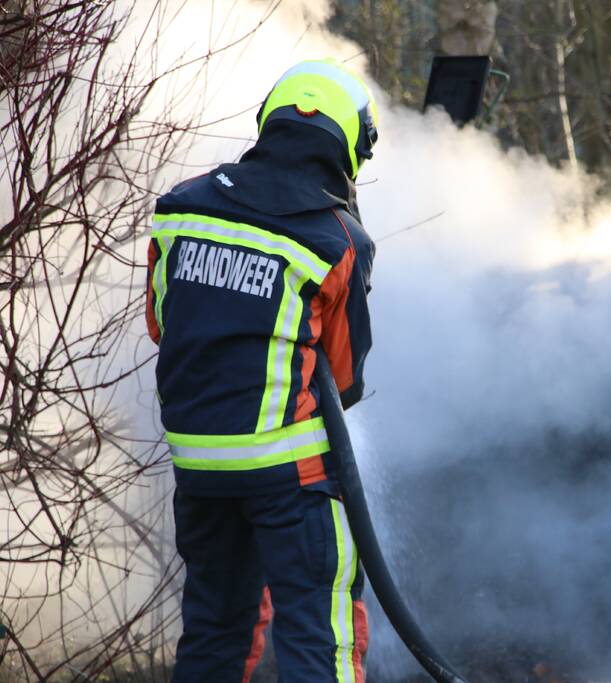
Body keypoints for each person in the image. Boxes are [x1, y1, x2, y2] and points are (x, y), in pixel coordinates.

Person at [144, 58, 378, 683]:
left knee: (216, 633)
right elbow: (344, 380)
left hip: (198, 469)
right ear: (350, 145)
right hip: (289, 478)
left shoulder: (179, 208)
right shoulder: (337, 240)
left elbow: (163, 325)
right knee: (317, 639)